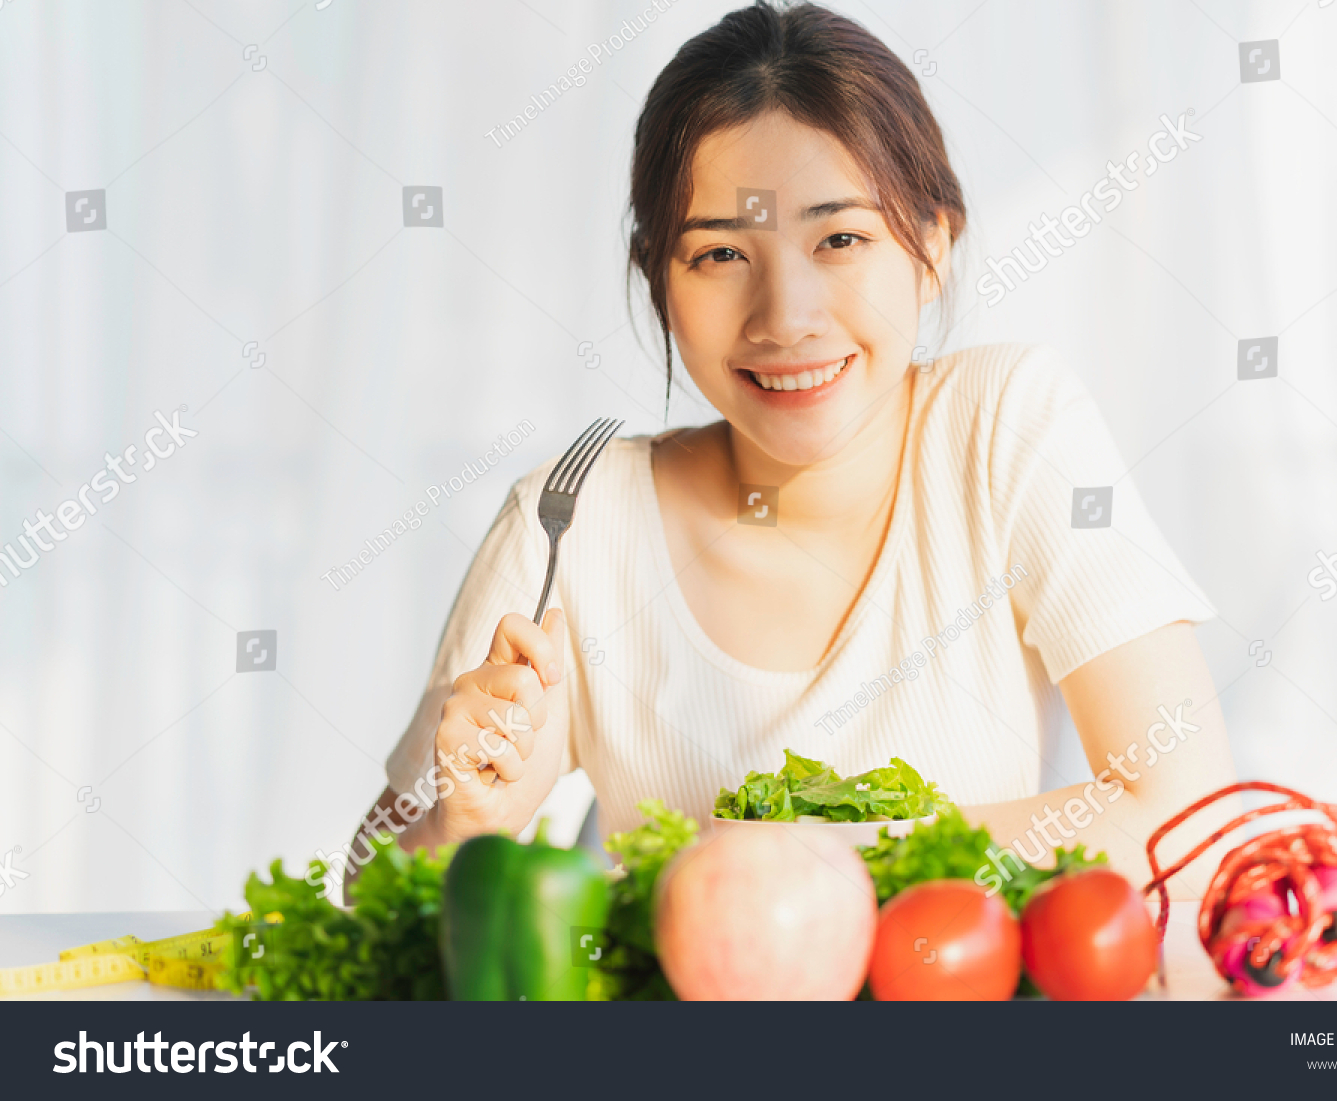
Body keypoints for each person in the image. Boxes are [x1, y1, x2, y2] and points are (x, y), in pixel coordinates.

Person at [354, 0, 1239, 894]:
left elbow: (1185, 811)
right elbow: (366, 888)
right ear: (657, 279)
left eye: (841, 238)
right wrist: (463, 825)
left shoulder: (1002, 428)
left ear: (932, 245)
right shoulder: (571, 523)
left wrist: (783, 859)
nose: (787, 318)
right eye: (720, 256)